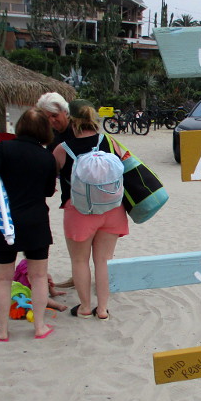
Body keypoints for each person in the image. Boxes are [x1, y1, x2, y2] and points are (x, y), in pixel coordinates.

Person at [0, 107, 58, 340]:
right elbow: (48, 191)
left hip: (6, 220)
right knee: (39, 277)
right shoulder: (47, 156)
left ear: (20, 126)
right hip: (36, 220)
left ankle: (3, 329)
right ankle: (39, 326)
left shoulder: (4, 148)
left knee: (3, 278)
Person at [53, 100, 128, 320]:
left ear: (72, 120)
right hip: (112, 210)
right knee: (103, 261)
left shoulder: (63, 149)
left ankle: (85, 307)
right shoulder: (109, 141)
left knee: (79, 261)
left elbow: (50, 179)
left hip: (79, 212)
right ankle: (102, 309)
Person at [36, 92, 76, 289]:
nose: (52, 121)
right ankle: (78, 276)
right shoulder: (53, 136)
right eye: (47, 117)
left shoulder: (78, 129)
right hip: (71, 195)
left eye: (54, 115)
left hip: (90, 193)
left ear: (64, 112)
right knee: (76, 241)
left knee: (83, 242)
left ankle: (80, 277)